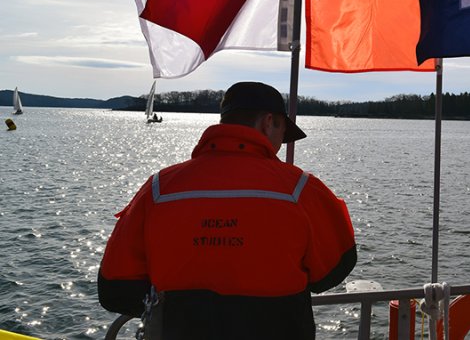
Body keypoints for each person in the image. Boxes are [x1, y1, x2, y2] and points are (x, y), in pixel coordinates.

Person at [98, 82, 357, 339]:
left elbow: (115, 289)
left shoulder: (158, 188)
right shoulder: (300, 188)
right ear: (268, 122)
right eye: (282, 131)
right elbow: (334, 270)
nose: (280, 143)